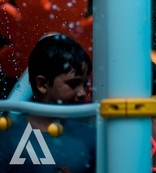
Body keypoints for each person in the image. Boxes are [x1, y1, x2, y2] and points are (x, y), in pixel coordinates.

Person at [0, 34, 95, 172]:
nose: (82, 93)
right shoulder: (9, 135)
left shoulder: (90, 135)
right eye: (73, 84)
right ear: (42, 84)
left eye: (84, 84)